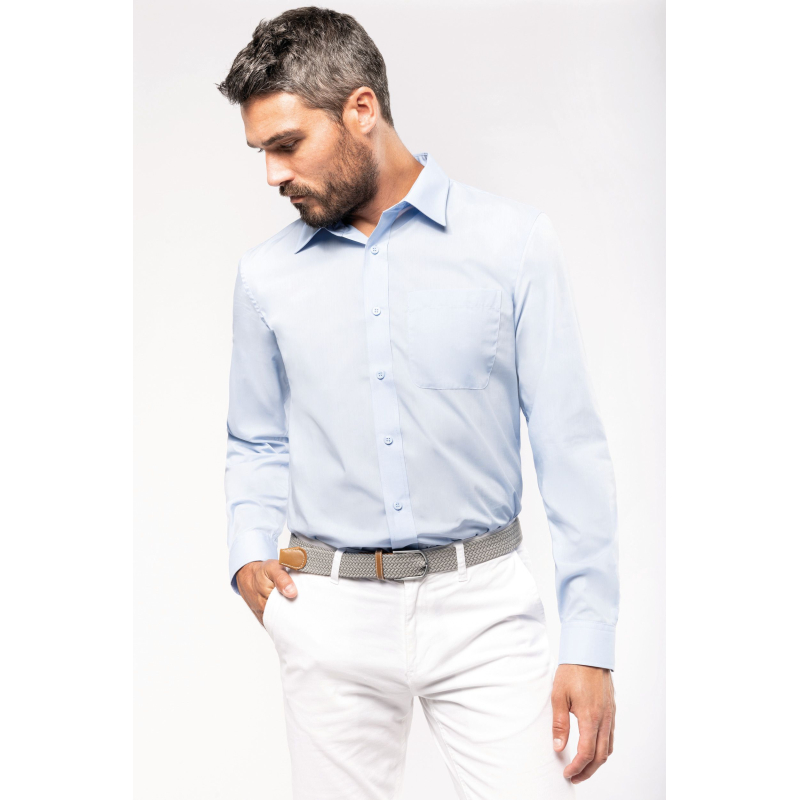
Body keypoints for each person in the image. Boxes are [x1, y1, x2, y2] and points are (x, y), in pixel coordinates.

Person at [218, 7, 618, 799]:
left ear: (361, 109)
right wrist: (246, 553)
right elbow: (255, 438)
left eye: (287, 144)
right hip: (327, 609)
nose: (273, 175)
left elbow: (569, 444)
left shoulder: (511, 244)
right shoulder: (265, 278)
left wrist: (591, 642)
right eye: (261, 151)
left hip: (483, 606)